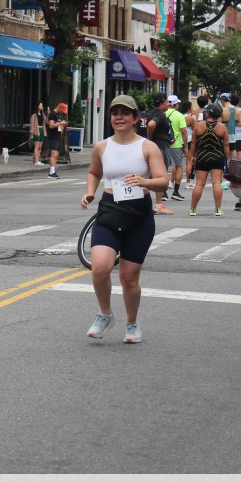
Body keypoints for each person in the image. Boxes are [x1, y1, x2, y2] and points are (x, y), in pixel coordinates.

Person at [80, 95, 168, 344]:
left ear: (135, 118)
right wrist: (89, 192)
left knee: (128, 277)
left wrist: (145, 181)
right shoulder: (102, 146)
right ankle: (105, 314)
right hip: (110, 209)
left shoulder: (147, 147)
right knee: (100, 267)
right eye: (115, 113)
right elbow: (94, 172)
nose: (119, 117)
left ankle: (132, 323)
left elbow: (163, 180)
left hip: (139, 214)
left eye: (125, 113)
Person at [188, 103, 228, 216]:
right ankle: (218, 209)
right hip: (217, 156)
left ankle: (193, 209)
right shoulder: (222, 127)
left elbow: (193, 143)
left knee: (199, 184)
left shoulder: (199, 125)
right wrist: (228, 158)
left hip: (202, 156)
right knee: (216, 183)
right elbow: (226, 145)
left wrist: (192, 156)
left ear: (208, 113)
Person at [146, 92, 174, 214]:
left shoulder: (152, 113)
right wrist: (150, 139)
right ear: (161, 103)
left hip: (158, 146)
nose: (168, 104)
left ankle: (152, 203)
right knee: (160, 176)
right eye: (167, 102)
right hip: (160, 147)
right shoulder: (159, 114)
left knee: (151, 175)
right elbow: (151, 125)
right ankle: (158, 204)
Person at [165, 95, 188, 200]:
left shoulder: (163, 114)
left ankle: (163, 192)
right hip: (176, 144)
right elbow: (184, 131)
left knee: (163, 167)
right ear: (175, 105)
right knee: (179, 166)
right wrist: (186, 147)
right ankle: (176, 191)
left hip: (164, 144)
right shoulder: (179, 115)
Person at [47, 102, 67, 179]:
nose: (62, 112)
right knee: (54, 154)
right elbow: (51, 125)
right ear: (59, 108)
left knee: (57, 154)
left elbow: (57, 125)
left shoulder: (58, 115)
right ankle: (51, 172)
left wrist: (62, 125)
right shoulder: (53, 114)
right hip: (53, 137)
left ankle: (53, 171)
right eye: (62, 110)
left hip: (57, 137)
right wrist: (60, 123)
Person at [30, 102, 48, 166]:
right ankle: (36, 161)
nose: (41, 106)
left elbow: (46, 121)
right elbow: (32, 125)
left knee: (40, 147)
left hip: (42, 130)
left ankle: (38, 160)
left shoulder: (43, 114)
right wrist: (32, 133)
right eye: (40, 105)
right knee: (37, 146)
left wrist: (48, 113)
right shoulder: (34, 115)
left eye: (42, 105)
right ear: (37, 106)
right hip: (37, 130)